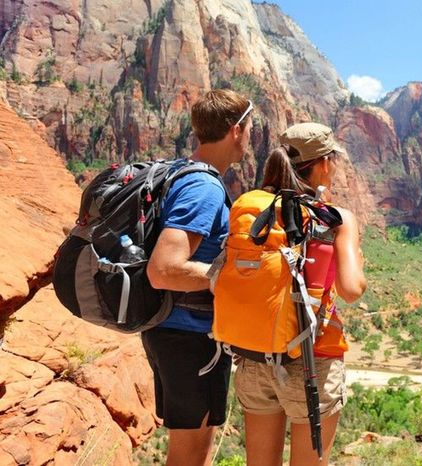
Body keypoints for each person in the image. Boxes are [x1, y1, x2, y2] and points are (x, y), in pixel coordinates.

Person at [235, 122, 367, 466]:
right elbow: (352, 289)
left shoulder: (255, 211)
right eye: (334, 160)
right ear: (324, 164)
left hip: (256, 355)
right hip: (314, 359)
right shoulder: (336, 217)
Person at [144, 89, 253, 466]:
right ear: (237, 130)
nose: (251, 135)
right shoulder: (204, 187)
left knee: (192, 452)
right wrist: (231, 278)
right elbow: (163, 269)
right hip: (188, 337)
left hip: (174, 332)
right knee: (189, 456)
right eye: (249, 127)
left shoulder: (181, 171)